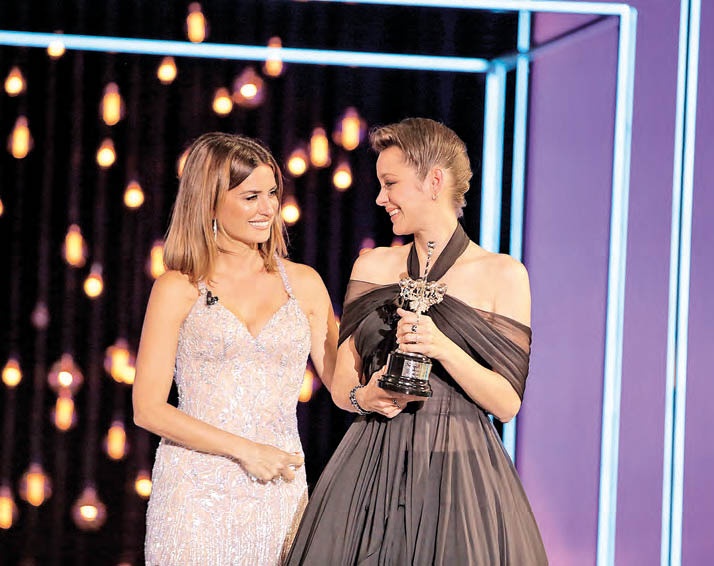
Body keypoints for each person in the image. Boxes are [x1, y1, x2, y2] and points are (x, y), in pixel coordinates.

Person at [286, 118, 547, 565]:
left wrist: (441, 346)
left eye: (390, 184)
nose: (380, 198)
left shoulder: (503, 274)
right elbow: (343, 382)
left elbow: (506, 403)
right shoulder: (372, 265)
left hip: (459, 472)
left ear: (434, 182)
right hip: (370, 463)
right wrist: (365, 396)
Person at [132, 132, 338, 565]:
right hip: (194, 495)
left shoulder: (304, 283)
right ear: (209, 203)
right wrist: (246, 450)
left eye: (272, 193)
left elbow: (343, 386)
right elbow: (148, 409)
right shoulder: (178, 287)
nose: (268, 208)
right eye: (250, 197)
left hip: (278, 491)